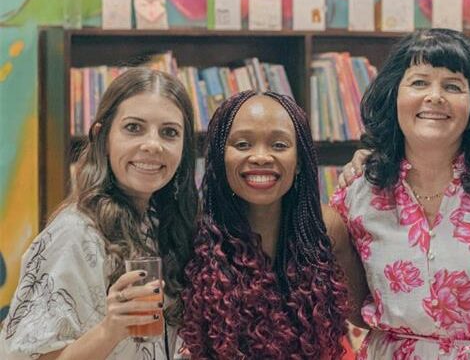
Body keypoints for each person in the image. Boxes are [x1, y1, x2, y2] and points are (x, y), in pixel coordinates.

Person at [330, 28, 470, 359]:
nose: (435, 96)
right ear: (394, 96)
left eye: (453, 86)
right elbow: (334, 292)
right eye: (419, 82)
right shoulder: (360, 189)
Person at [0, 68, 199, 359]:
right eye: (134, 128)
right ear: (102, 137)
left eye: (169, 133)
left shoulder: (161, 223)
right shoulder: (74, 233)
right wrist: (111, 329)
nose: (152, 144)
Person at [179, 90, 367, 359]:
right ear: (220, 158)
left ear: (299, 161)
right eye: (243, 144)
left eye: (279, 145)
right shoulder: (194, 233)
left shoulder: (326, 228)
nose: (261, 157)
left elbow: (366, 316)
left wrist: (381, 166)